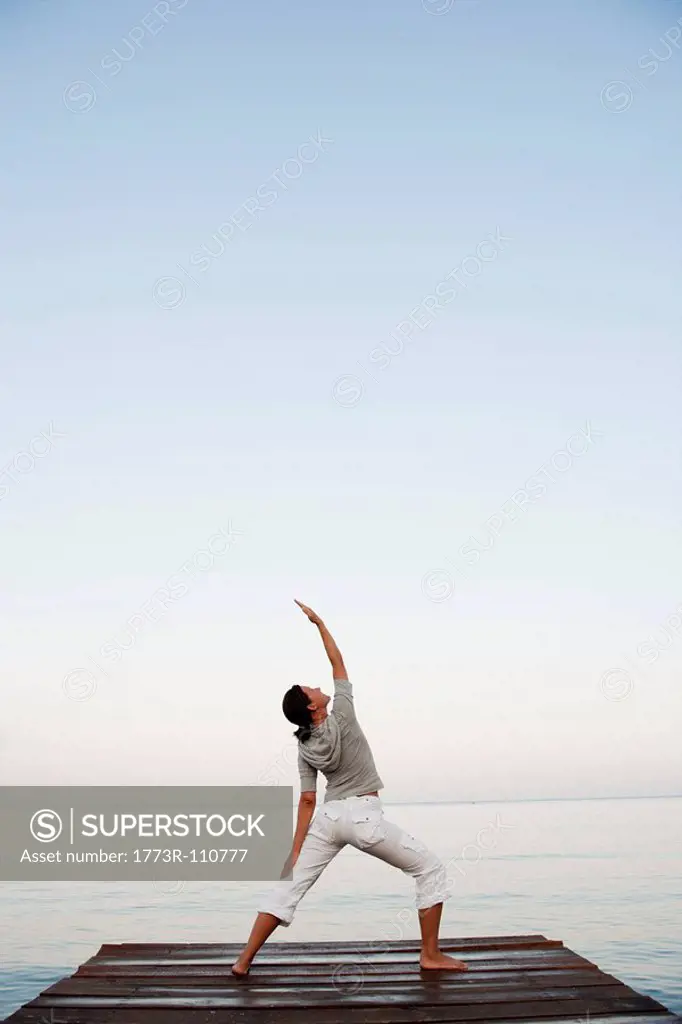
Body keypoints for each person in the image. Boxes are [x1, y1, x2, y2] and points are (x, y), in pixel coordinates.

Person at [231, 600, 467, 976]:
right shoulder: (342, 713)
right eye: (312, 689)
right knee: (431, 869)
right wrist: (320, 624)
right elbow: (338, 664)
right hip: (363, 817)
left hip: (328, 819)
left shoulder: (304, 745)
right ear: (313, 707)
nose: (319, 686)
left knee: (289, 888)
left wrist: (293, 852)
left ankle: (243, 961)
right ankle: (430, 955)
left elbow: (307, 800)